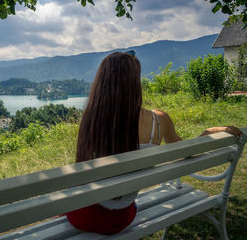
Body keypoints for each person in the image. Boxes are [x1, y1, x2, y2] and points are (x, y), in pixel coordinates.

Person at [65, 51, 242, 235]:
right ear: (135, 82)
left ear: (101, 83)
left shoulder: (92, 120)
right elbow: (188, 152)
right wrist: (208, 132)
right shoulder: (159, 121)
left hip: (84, 217)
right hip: (122, 218)